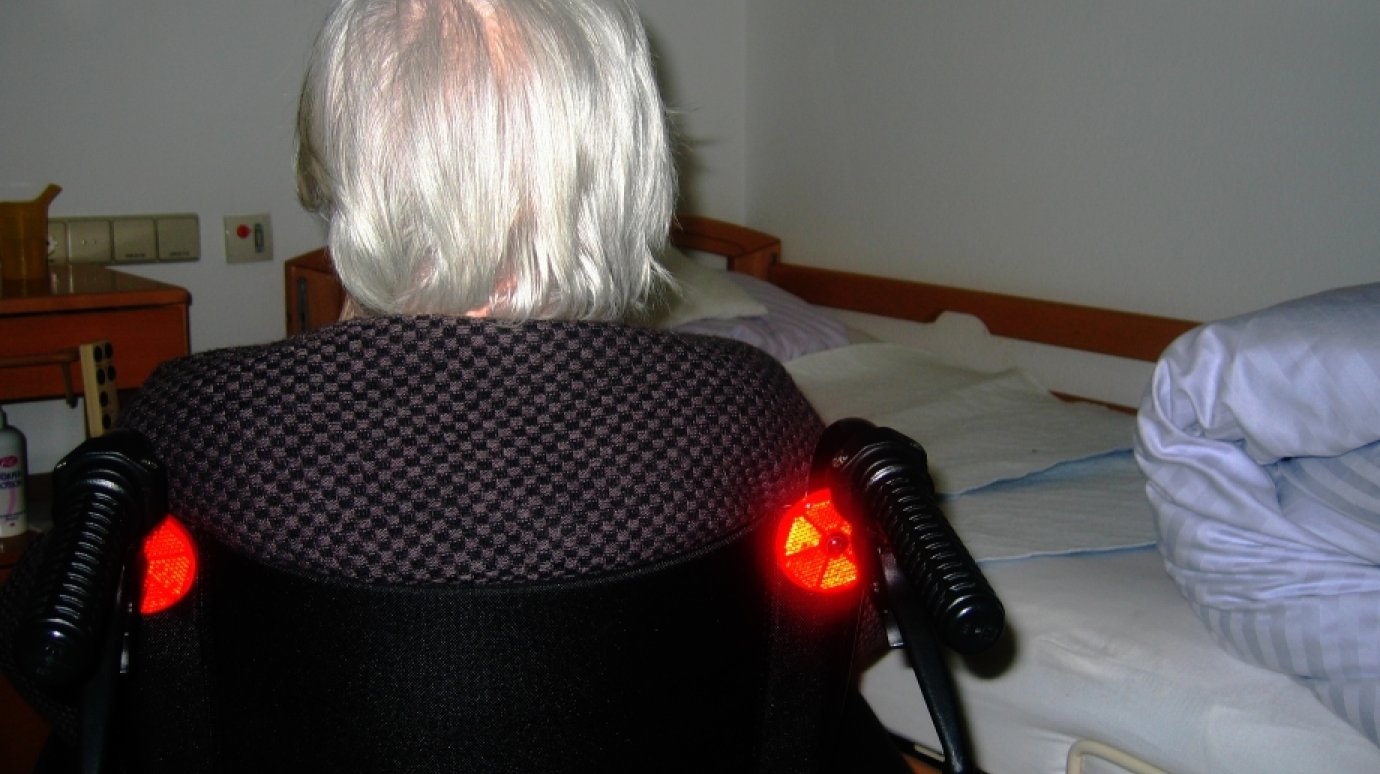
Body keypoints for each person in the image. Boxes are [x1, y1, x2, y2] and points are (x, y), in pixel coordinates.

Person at [0, 1, 833, 770]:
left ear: (336, 164)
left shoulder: (201, 418)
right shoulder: (747, 409)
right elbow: (824, 648)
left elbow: (51, 661)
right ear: (626, 163)